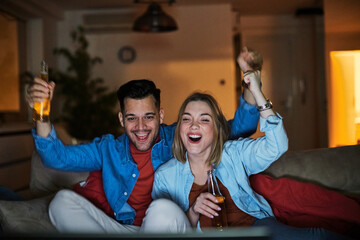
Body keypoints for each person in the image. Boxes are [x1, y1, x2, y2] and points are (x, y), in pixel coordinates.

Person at [26, 50, 261, 233]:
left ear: (160, 115)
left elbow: (240, 128)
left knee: (161, 208)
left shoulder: (180, 136)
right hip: (124, 229)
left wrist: (251, 81)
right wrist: (41, 114)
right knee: (61, 202)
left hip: (170, 226)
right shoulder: (108, 148)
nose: (140, 128)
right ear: (121, 119)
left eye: (148, 117)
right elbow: (54, 157)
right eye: (131, 118)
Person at [151, 73, 350, 239]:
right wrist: (194, 210)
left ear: (217, 130)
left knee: (319, 236)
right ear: (180, 130)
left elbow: (277, 146)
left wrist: (257, 92)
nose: (194, 125)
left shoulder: (234, 153)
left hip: (256, 228)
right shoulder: (165, 176)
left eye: (204, 119)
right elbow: (169, 230)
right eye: (187, 119)